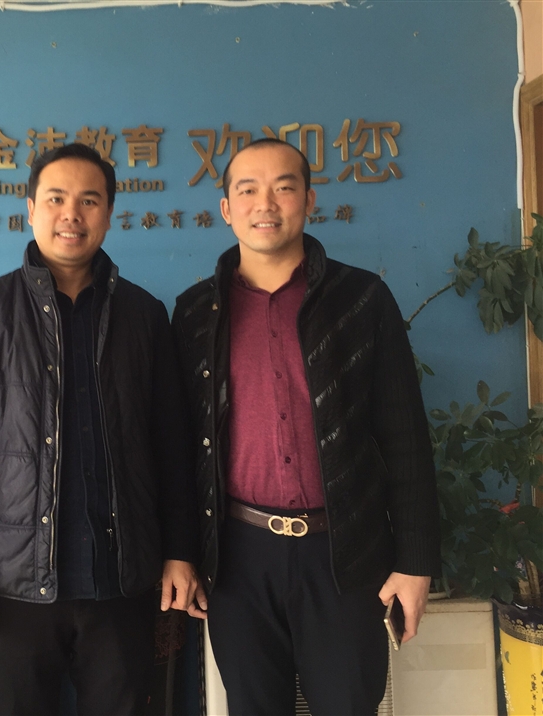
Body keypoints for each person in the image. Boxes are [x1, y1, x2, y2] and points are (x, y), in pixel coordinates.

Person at [0, 143, 205, 715]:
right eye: (55, 199)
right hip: (11, 587)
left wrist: (180, 550)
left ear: (109, 213)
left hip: (121, 581)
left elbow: (172, 448)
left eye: (88, 201)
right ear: (31, 209)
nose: (71, 215)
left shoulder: (145, 315)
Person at [172, 138, 441, 715]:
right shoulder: (195, 311)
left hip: (344, 553)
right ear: (226, 208)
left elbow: (406, 438)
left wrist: (415, 561)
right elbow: (180, 446)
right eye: (248, 189)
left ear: (309, 200)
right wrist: (181, 552)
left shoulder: (362, 299)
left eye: (284, 187)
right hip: (237, 557)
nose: (265, 203)